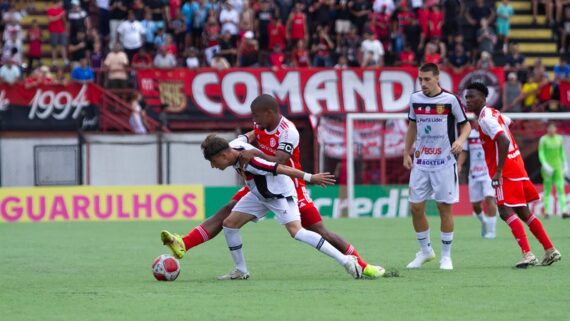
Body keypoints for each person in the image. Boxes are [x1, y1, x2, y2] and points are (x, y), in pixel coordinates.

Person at [161, 95, 385, 279]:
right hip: (260, 186)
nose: (254, 121)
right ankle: (195, 248)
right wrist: (244, 144)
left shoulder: (289, 132)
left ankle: (360, 264)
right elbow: (247, 138)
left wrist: (308, 176)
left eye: (256, 116)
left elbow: (278, 163)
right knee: (229, 216)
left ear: (269, 113)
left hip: (287, 186)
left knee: (315, 231)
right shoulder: (244, 142)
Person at [184, 134, 367, 280]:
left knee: (297, 232)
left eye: (213, 162)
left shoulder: (252, 162)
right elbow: (249, 135)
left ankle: (346, 261)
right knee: (230, 223)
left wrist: (311, 178)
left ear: (223, 155)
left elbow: (282, 168)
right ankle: (241, 271)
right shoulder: (234, 145)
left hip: (279, 195)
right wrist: (258, 130)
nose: (213, 166)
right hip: (258, 195)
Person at [464, 82, 562, 267]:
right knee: (523, 212)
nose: (468, 100)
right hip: (517, 165)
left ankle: (527, 254)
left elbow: (502, 139)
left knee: (504, 210)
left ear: (483, 98)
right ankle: (550, 249)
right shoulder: (493, 113)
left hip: (507, 170)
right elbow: (509, 123)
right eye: (466, 97)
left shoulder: (485, 119)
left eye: (472, 97)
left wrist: (498, 170)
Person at [403, 63, 471, 270]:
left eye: (427, 79)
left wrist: (460, 140)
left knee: (444, 208)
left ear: (437, 78)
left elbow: (466, 124)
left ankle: (446, 256)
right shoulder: (415, 99)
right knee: (415, 207)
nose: (423, 83)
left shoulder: (450, 100)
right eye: (420, 79)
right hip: (421, 163)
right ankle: (425, 252)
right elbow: (412, 127)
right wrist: (406, 152)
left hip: (444, 163)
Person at [457, 121, 498, 239]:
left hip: (488, 173)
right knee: (475, 205)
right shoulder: (470, 135)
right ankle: (484, 221)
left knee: (489, 199)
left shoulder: (490, 134)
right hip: (474, 173)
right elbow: (464, 151)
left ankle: (492, 231)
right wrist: (459, 164)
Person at [538, 123, 569, 219]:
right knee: (547, 189)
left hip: (558, 167)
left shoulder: (559, 138)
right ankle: (546, 211)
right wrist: (545, 165)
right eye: (550, 128)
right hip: (548, 168)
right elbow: (541, 153)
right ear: (547, 129)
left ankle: (564, 211)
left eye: (553, 127)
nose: (551, 129)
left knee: (560, 188)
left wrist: (565, 164)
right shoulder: (543, 139)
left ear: (555, 128)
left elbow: (561, 152)